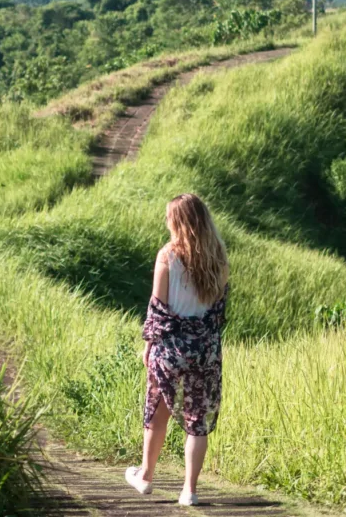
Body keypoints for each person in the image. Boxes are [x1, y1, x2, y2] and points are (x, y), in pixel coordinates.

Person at [125, 193, 229, 506]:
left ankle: (145, 477)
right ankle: (189, 491)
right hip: (205, 348)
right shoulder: (219, 259)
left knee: (158, 410)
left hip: (170, 346)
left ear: (179, 222)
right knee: (197, 419)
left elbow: (158, 307)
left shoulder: (167, 255)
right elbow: (218, 313)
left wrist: (149, 344)